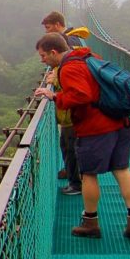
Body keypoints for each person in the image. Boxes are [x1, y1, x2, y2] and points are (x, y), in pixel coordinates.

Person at [33, 33, 130, 240]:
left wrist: (55, 96)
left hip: (96, 128)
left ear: (54, 52)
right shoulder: (89, 56)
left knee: (89, 175)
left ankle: (91, 223)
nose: (43, 61)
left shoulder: (69, 68)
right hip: (119, 122)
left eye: (43, 56)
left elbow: (82, 95)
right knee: (122, 170)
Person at [41, 11, 85, 194]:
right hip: (70, 112)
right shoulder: (72, 43)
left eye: (49, 27)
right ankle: (73, 175)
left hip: (72, 113)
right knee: (68, 145)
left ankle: (76, 183)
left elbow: (74, 86)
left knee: (72, 146)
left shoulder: (71, 45)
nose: (42, 60)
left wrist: (55, 84)